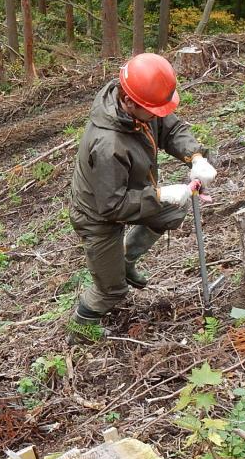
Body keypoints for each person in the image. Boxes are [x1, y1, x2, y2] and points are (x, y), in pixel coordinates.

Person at [68, 53, 218, 342]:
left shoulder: (142, 106)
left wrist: (196, 157)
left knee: (173, 212)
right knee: (111, 290)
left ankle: (126, 259)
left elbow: (171, 128)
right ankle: (80, 330)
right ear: (128, 102)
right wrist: (161, 193)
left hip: (131, 195)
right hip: (98, 215)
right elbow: (112, 206)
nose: (158, 116)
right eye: (153, 111)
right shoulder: (108, 143)